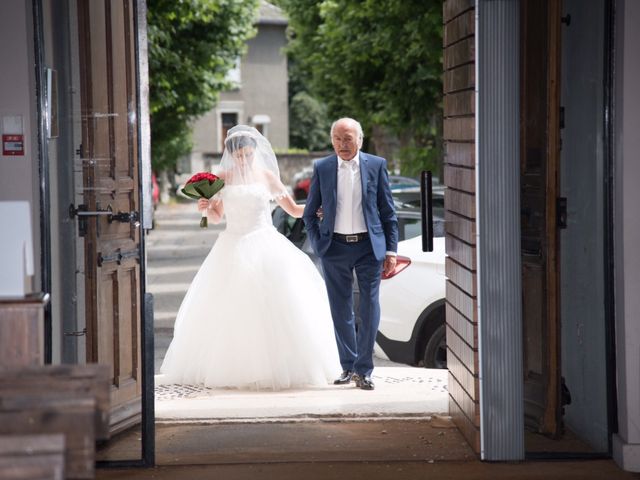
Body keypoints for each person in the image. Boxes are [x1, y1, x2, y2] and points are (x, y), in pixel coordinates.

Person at [159, 125, 340, 390]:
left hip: (265, 244)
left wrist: (317, 211)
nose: (244, 160)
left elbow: (292, 209)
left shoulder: (267, 177)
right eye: (239, 156)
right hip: (232, 245)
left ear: (256, 151)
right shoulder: (222, 178)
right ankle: (236, 368)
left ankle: (278, 369)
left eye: (248, 154)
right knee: (231, 311)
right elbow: (217, 217)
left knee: (278, 307)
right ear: (231, 155)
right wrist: (205, 208)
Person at [303, 117, 398, 391]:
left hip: (369, 247)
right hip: (334, 248)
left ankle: (364, 370)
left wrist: (391, 249)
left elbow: (388, 212)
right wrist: (319, 241)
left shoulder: (377, 166)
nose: (342, 144)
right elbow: (310, 212)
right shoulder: (322, 167)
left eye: (347, 138)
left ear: (360, 139)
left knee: (368, 308)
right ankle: (347, 366)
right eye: (336, 139)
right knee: (340, 309)